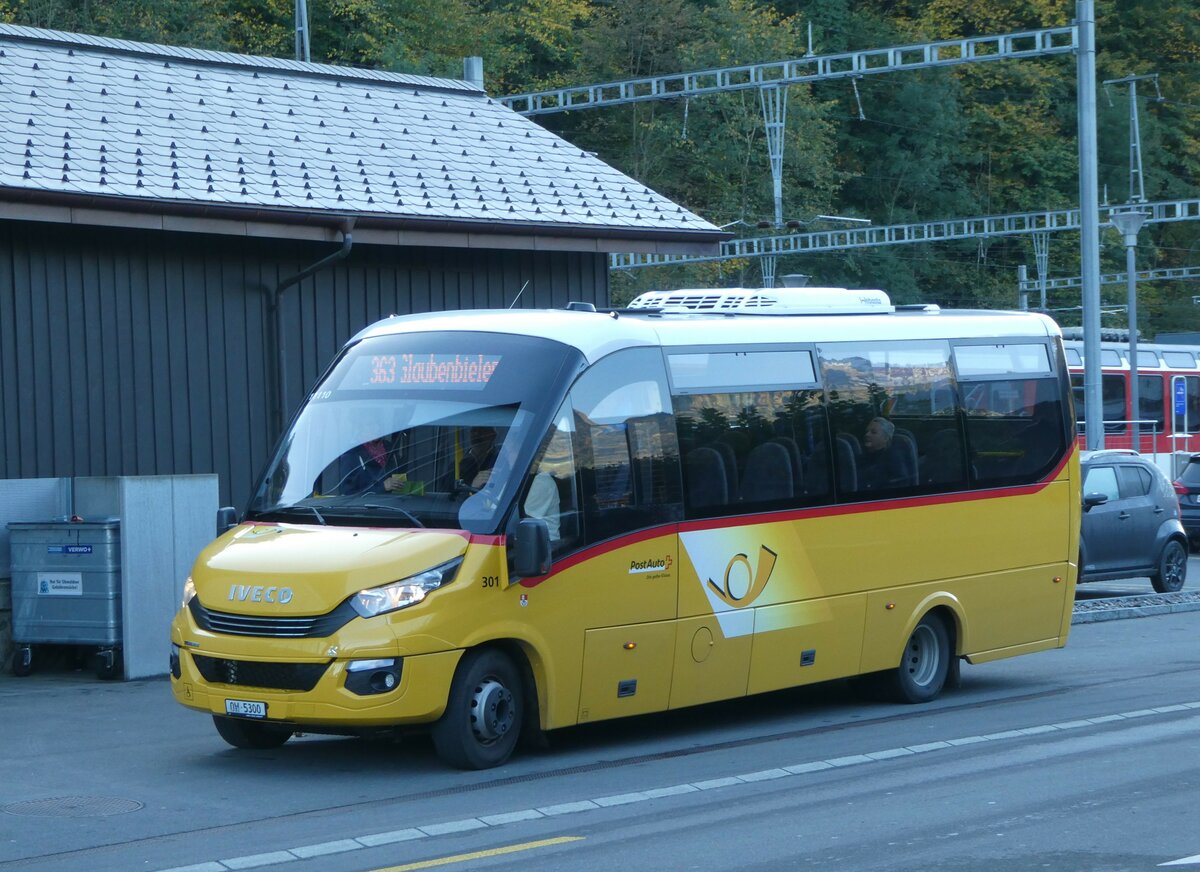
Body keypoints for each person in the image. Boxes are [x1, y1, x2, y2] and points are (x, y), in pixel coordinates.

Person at [858, 416, 913, 491]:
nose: (867, 435)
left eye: (873, 432)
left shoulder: (893, 461)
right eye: (866, 431)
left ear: (886, 438)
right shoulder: (860, 458)